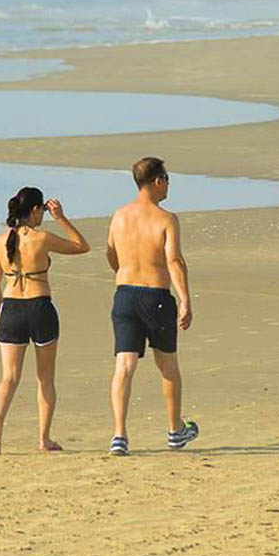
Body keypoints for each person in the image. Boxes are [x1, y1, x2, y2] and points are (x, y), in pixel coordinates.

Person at [104, 157, 198, 455]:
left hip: (125, 295)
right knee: (167, 365)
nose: (169, 183)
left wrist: (126, 272)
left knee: (125, 365)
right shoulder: (166, 219)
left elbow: (111, 253)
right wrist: (184, 299)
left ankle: (119, 434)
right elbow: (174, 261)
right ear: (157, 181)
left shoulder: (119, 216)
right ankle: (174, 430)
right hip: (155, 297)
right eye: (167, 178)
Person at [0, 187, 89, 455]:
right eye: (42, 209)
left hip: (11, 309)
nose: (43, 214)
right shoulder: (42, 238)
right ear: (34, 210)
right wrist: (62, 219)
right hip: (39, 308)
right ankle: (44, 438)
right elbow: (82, 246)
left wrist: (1, 310)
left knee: (8, 377)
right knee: (45, 379)